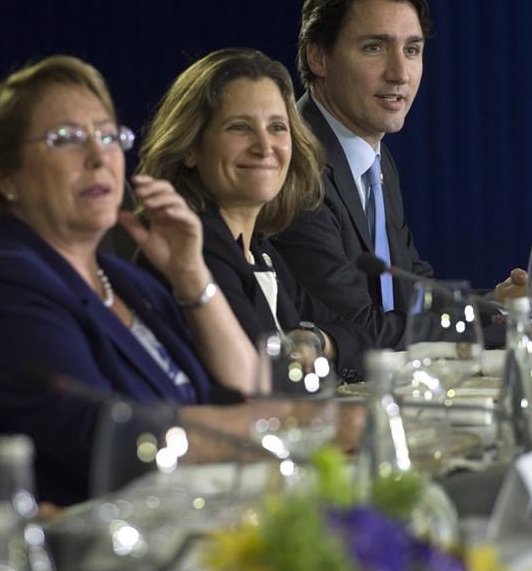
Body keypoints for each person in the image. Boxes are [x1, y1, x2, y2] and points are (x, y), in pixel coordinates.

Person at [0, 55, 268, 506]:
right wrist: (287, 426)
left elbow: (242, 391)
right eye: (67, 139)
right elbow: (108, 440)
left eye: (109, 136)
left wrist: (191, 275)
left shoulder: (127, 281)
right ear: (5, 173)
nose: (98, 157)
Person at [273, 0, 532, 349]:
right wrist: (508, 324)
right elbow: (363, 328)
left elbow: (410, 291)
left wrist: (500, 305)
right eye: (374, 47)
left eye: (412, 50)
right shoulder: (294, 162)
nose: (400, 73)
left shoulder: (371, 154)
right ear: (318, 57)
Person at [137, 48, 373, 383]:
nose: (264, 147)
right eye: (239, 128)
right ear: (191, 147)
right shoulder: (194, 246)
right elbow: (262, 385)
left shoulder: (259, 251)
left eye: (277, 127)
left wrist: (316, 340)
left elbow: (361, 341)